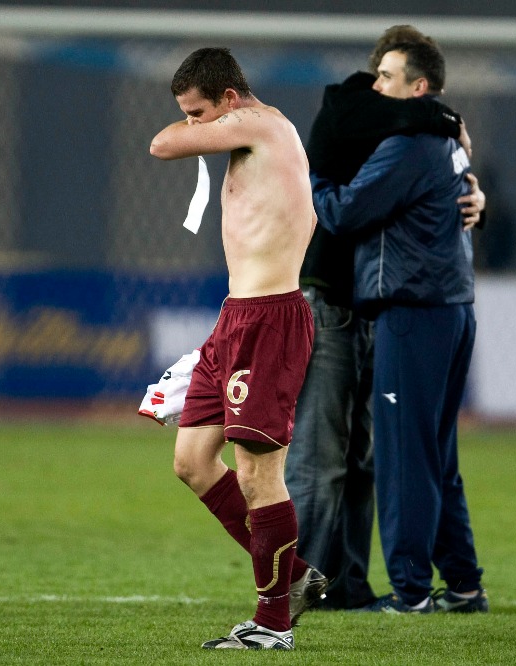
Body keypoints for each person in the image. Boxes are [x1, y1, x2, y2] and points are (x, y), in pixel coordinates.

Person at [287, 24, 485, 612]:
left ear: (417, 87)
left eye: (387, 77)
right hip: (412, 304)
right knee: (411, 454)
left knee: (393, 457)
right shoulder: (418, 129)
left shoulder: (414, 137)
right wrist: (452, 139)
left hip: (404, 309)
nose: (374, 86)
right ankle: (456, 583)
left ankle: (406, 590)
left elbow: (346, 213)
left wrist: (314, 183)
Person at [149, 47, 322, 650]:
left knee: (257, 472)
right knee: (193, 461)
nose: (192, 125)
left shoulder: (260, 121)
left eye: (198, 112)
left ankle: (273, 624)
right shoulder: (249, 135)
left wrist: (194, 130)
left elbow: (162, 145)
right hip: (236, 318)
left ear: (228, 98)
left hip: (269, 319)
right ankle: (295, 577)